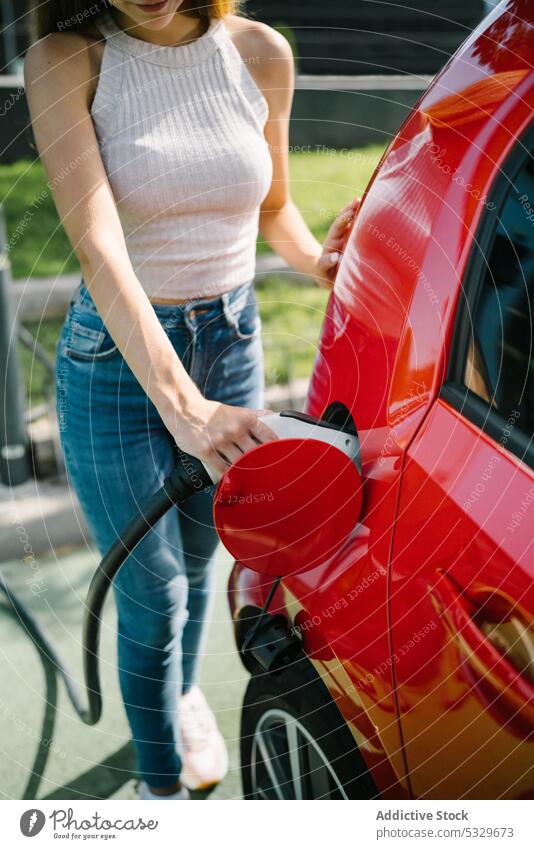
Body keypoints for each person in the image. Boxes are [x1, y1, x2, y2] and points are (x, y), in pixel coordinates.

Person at [24, 0, 357, 800]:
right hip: (116, 364)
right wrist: (182, 404)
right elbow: (99, 248)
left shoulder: (260, 52)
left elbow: (271, 206)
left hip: (231, 343)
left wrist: (316, 260)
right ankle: (160, 792)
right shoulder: (66, 60)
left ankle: (179, 696)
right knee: (154, 590)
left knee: (209, 558)